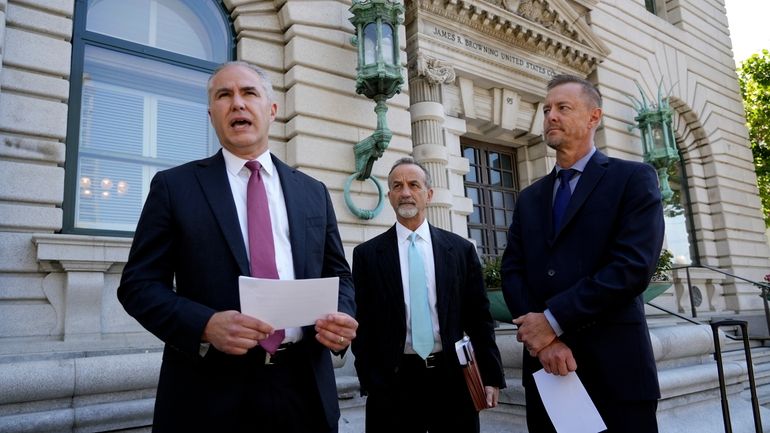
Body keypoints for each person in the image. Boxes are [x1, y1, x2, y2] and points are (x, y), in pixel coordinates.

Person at [118, 61, 358, 433]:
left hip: (305, 388)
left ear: (272, 110)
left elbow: (339, 275)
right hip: (209, 394)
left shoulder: (313, 192)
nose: (237, 104)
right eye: (223, 95)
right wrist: (205, 325)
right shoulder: (174, 187)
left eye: (249, 93)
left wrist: (340, 318)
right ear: (211, 113)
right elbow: (138, 286)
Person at [501, 74, 664, 432]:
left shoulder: (633, 179)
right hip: (547, 373)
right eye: (546, 110)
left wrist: (553, 321)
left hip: (617, 372)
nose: (550, 117)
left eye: (563, 107)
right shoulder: (529, 198)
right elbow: (512, 271)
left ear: (594, 116)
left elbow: (632, 267)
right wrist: (544, 341)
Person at [351, 157, 506, 433]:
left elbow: (479, 318)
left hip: (453, 380)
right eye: (397, 186)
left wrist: (491, 376)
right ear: (389, 196)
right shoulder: (367, 255)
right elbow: (362, 322)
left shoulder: (460, 250)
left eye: (414, 184)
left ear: (429, 194)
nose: (406, 192)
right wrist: (371, 379)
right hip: (393, 383)